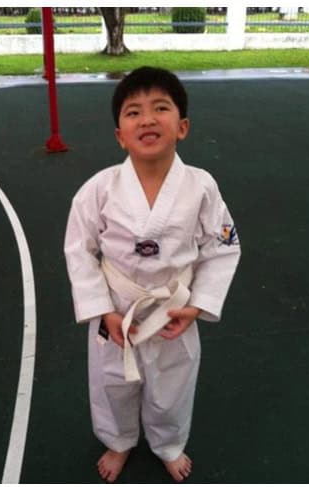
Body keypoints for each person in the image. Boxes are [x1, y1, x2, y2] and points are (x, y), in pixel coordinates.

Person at [64, 66, 241, 482]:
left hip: (172, 312)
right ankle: (118, 440)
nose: (147, 119)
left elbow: (222, 247)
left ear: (182, 127)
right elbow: (79, 251)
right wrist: (100, 309)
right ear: (119, 135)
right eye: (133, 112)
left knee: (172, 385)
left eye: (160, 108)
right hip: (116, 313)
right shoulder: (98, 189)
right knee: (112, 384)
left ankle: (168, 444)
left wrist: (198, 305)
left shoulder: (201, 187)